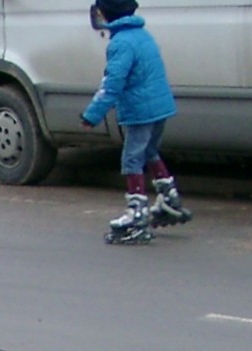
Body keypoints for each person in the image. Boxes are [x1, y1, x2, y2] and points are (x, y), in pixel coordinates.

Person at [81, 0, 193, 244]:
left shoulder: (120, 43)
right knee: (150, 151)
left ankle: (136, 213)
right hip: (160, 107)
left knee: (132, 158)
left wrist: (92, 115)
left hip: (141, 110)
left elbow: (112, 84)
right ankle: (168, 196)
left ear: (106, 14)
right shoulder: (142, 35)